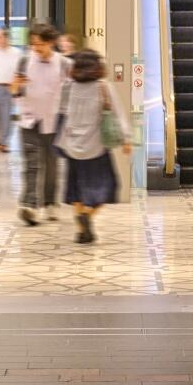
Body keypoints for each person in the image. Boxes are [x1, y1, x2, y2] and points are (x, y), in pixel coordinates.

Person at [56, 48, 129, 244]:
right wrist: (126, 139)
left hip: (72, 147)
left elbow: (61, 113)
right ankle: (87, 216)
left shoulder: (68, 87)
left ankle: (82, 232)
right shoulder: (103, 86)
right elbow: (118, 114)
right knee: (108, 186)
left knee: (76, 190)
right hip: (96, 148)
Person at [15, 24, 69, 226]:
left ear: (51, 42)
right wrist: (16, 85)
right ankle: (29, 205)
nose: (35, 48)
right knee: (31, 164)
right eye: (33, 44)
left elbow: (72, 91)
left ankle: (50, 202)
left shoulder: (64, 63)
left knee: (51, 165)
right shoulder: (24, 61)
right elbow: (14, 90)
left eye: (40, 44)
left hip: (54, 122)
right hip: (29, 120)